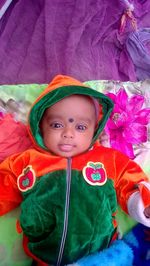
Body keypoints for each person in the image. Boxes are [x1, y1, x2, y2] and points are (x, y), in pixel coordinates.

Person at [0, 75, 149, 266]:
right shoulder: (24, 162)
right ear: (40, 126)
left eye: (80, 127)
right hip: (43, 258)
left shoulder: (109, 159)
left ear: (94, 130)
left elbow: (133, 184)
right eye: (57, 125)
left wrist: (144, 205)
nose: (68, 133)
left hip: (101, 255)